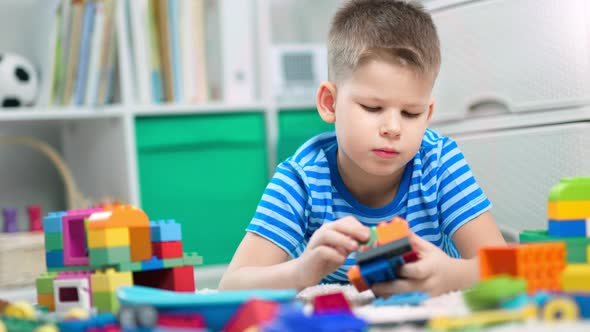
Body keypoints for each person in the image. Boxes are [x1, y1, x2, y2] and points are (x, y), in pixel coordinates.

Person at [219, 0, 505, 297]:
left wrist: (450, 275)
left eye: (411, 114)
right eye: (372, 107)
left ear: (428, 114)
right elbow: (231, 285)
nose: (393, 128)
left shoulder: (439, 162)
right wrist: (302, 270)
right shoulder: (302, 179)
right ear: (330, 103)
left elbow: (506, 267)